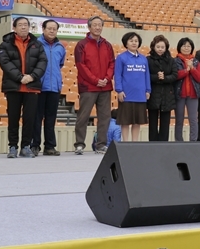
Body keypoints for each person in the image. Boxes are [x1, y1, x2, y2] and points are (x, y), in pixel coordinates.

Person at [0, 16, 47, 158]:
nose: (23, 27)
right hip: (13, 87)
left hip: (32, 87)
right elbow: (5, 63)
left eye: (26, 25)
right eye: (20, 25)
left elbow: (43, 62)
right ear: (14, 28)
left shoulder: (37, 44)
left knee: (30, 119)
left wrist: (31, 77)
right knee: (13, 118)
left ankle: (25, 146)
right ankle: (12, 146)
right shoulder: (5, 44)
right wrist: (20, 78)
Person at [74, 16, 115, 155]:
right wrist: (95, 80)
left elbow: (112, 63)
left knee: (104, 117)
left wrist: (106, 78)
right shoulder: (81, 45)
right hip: (88, 87)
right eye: (95, 25)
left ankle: (101, 144)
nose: (97, 27)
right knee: (83, 116)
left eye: (100, 25)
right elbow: (81, 66)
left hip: (105, 87)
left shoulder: (107, 45)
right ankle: (79, 144)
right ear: (89, 27)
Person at [31, 19, 66, 156]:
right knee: (37, 117)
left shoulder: (60, 47)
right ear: (43, 29)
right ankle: (35, 145)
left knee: (51, 118)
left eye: (54, 29)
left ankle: (50, 146)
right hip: (39, 86)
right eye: (49, 28)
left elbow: (60, 64)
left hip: (54, 87)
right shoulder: (35, 44)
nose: (52, 31)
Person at [115, 32, 150, 142]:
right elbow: (118, 75)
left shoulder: (143, 59)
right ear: (126, 43)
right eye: (131, 41)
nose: (134, 43)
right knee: (125, 121)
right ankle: (125, 142)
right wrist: (119, 90)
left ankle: (135, 142)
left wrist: (148, 90)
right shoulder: (121, 58)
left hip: (140, 95)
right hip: (126, 95)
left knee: (137, 121)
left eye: (136, 41)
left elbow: (146, 75)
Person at [147, 35, 178, 142]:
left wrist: (164, 78)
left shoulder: (171, 60)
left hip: (167, 94)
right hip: (153, 93)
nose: (160, 49)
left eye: (162, 47)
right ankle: (153, 143)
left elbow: (175, 75)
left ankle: (164, 143)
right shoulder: (148, 60)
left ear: (166, 48)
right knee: (152, 121)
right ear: (153, 47)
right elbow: (145, 76)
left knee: (165, 122)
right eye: (158, 47)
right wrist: (156, 77)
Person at [174, 37, 200, 142]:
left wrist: (192, 68)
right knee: (179, 119)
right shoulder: (175, 61)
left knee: (193, 119)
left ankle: (193, 141)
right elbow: (175, 75)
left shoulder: (195, 61)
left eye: (188, 46)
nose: (186, 48)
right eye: (184, 46)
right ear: (179, 47)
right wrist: (186, 70)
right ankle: (179, 141)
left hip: (193, 94)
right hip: (179, 94)